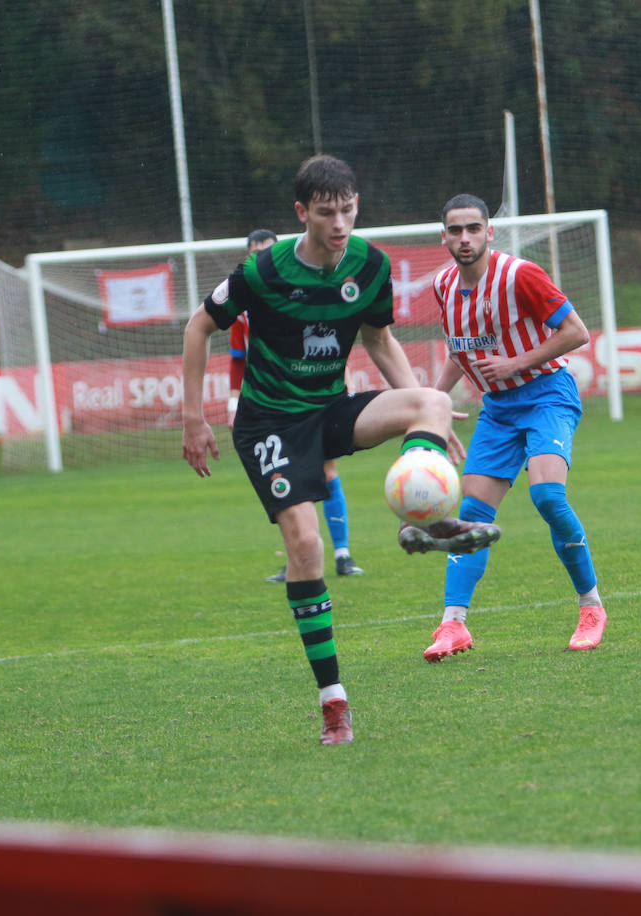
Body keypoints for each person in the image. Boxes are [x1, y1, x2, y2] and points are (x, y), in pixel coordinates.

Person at [181, 155, 501, 745]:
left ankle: (424, 522)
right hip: (270, 424)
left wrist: (425, 417)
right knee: (306, 546)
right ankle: (333, 701)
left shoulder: (370, 265)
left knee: (431, 400)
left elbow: (379, 338)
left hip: (328, 411)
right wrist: (193, 418)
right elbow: (198, 326)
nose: (340, 224)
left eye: (348, 210)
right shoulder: (263, 271)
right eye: (327, 213)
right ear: (301, 213)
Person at [420, 193, 605, 662]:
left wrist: (515, 363)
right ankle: (452, 626)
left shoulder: (520, 275)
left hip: (548, 393)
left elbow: (577, 333)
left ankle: (591, 607)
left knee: (547, 496)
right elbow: (459, 353)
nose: (465, 238)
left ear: (489, 232)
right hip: (499, 409)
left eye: (473, 229)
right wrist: (434, 409)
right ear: (443, 236)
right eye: (456, 230)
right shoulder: (444, 286)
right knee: (470, 517)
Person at [230, 230, 364, 584]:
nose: (261, 259)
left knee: (329, 473)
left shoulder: (305, 294)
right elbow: (237, 360)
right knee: (283, 482)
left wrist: (343, 381)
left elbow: (334, 340)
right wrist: (234, 402)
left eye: (267, 252)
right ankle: (298, 557)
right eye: (254, 254)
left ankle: (343, 553)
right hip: (270, 410)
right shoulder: (242, 308)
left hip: (314, 400)